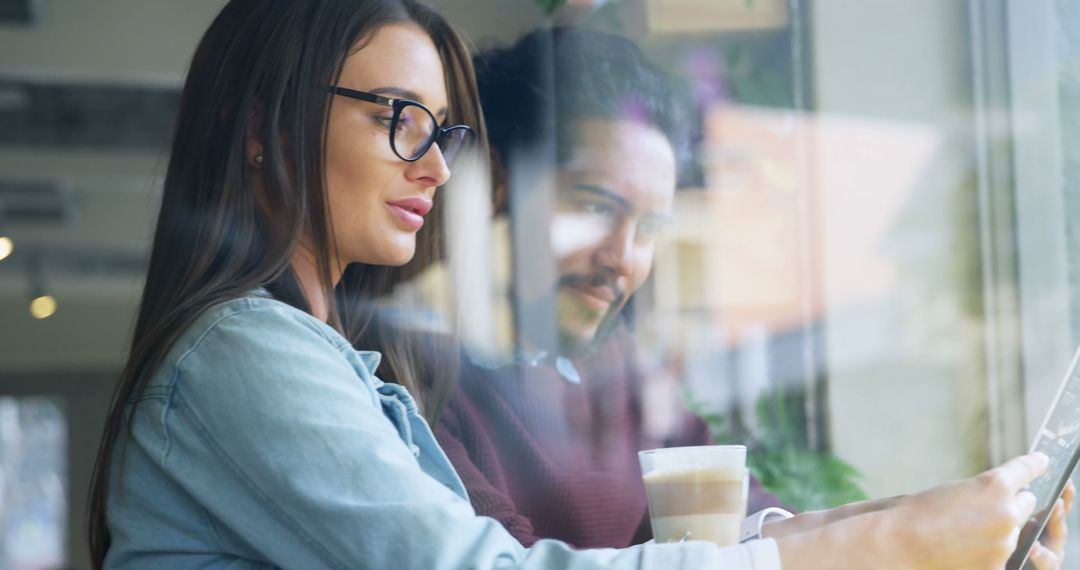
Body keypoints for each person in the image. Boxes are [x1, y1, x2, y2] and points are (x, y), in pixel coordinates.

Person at [85, 0, 1069, 569]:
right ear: (261, 128)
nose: (433, 166)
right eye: (396, 116)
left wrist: (942, 515)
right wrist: (889, 545)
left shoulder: (346, 364)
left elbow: (736, 520)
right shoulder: (250, 352)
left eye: (440, 130)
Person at [433, 27, 788, 550]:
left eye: (648, 230)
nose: (621, 258)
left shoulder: (619, 366)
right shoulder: (412, 380)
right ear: (495, 184)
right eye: (596, 207)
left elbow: (744, 513)